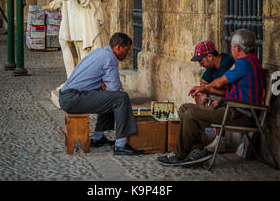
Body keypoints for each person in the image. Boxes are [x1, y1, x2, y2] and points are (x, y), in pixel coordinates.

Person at [157, 29, 265, 167]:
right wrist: (205, 89)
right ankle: (197, 149)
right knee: (185, 108)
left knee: (191, 114)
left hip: (240, 113)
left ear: (237, 48)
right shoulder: (249, 62)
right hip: (233, 108)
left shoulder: (244, 63)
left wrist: (205, 88)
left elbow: (220, 82)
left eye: (231, 46)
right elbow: (229, 90)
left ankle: (179, 154)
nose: (231, 50)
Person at [59, 32, 144, 156]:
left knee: (109, 97)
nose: (127, 54)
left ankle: (98, 138)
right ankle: (121, 144)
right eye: (126, 50)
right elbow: (115, 89)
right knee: (121, 98)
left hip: (68, 96)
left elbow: (108, 89)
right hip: (73, 98)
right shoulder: (110, 58)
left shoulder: (99, 52)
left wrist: (103, 86)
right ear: (118, 47)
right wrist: (107, 87)